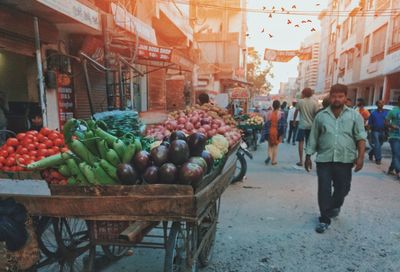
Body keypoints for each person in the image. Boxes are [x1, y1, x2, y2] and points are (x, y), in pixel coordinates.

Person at [305, 84, 367, 233]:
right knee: (324, 190)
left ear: (345, 98)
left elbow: (361, 138)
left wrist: (361, 158)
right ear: (330, 97)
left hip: (345, 160)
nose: (337, 99)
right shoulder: (321, 116)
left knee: (343, 189)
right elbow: (313, 137)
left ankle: (334, 205)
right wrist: (308, 155)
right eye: (334, 96)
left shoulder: (355, 116)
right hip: (324, 159)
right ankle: (324, 218)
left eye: (340, 96)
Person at [293, 88, 319, 166]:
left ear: (304, 93)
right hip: (311, 126)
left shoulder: (300, 102)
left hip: (302, 126)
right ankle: (308, 159)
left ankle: (301, 161)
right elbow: (316, 115)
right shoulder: (315, 103)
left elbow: (296, 112)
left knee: (301, 142)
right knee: (309, 144)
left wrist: (294, 121)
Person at [261, 100, 286, 165]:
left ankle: (269, 156)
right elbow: (283, 125)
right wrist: (283, 134)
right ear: (279, 106)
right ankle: (273, 161)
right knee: (275, 146)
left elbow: (266, 122)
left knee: (270, 145)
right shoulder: (281, 113)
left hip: (270, 131)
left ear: (273, 105)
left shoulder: (268, 113)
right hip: (277, 132)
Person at [367, 100, 387, 165]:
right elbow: (369, 123)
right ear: (377, 105)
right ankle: (378, 159)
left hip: (383, 131)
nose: (381, 104)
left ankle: (371, 153)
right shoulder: (373, 113)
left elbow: (388, 122)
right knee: (377, 145)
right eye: (379, 103)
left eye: (382, 103)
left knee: (379, 145)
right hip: (375, 131)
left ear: (383, 104)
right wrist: (369, 132)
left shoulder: (386, 113)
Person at [385, 97, 400, 179]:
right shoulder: (393, 111)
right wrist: (392, 125)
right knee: (396, 154)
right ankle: (398, 171)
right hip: (394, 136)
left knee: (397, 155)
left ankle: (391, 169)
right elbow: (386, 122)